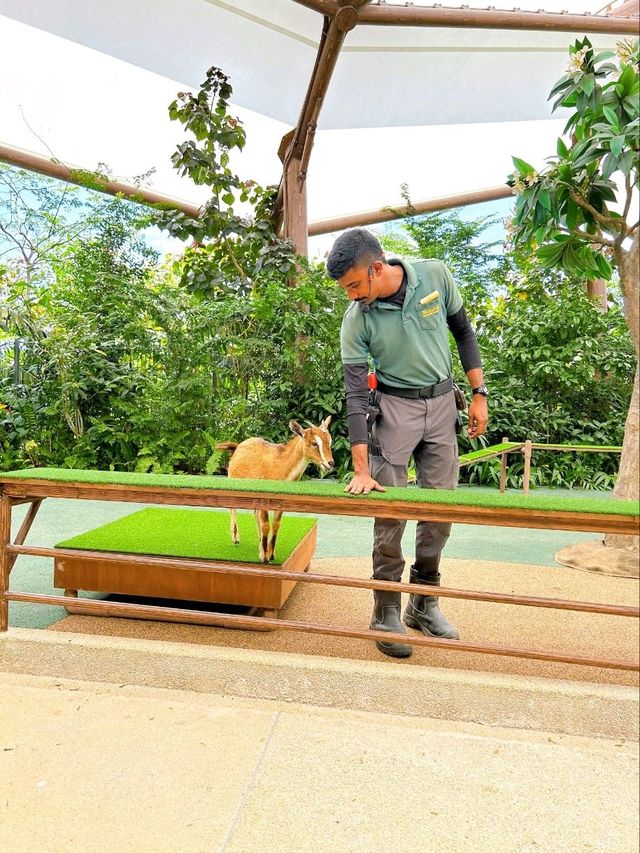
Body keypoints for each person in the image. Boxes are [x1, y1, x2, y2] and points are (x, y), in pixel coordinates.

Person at [326, 228, 488, 659]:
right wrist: (361, 468)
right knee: (390, 511)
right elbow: (356, 395)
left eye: (354, 285)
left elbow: (464, 331)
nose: (351, 295)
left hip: (441, 405)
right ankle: (386, 609)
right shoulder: (356, 320)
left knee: (440, 509)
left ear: (377, 269)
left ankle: (423, 602)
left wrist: (479, 393)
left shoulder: (434, 276)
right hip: (393, 410)